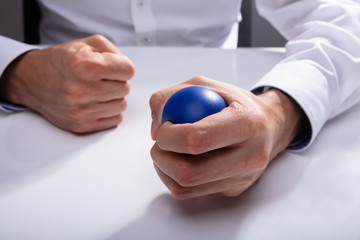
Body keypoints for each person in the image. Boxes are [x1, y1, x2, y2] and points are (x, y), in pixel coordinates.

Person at [1, 0, 359, 199]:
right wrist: (18, 71)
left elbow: (347, 16)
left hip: (231, 109)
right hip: (42, 127)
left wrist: (278, 113)